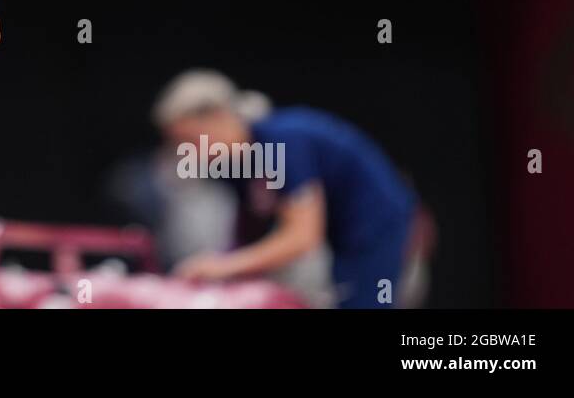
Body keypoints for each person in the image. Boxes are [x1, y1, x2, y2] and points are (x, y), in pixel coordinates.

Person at [154, 69, 422, 308]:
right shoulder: (233, 166)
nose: (188, 152)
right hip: (338, 235)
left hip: (375, 226)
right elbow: (251, 232)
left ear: (218, 117)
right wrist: (220, 267)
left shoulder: (282, 140)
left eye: (190, 139)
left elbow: (302, 236)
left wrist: (222, 267)